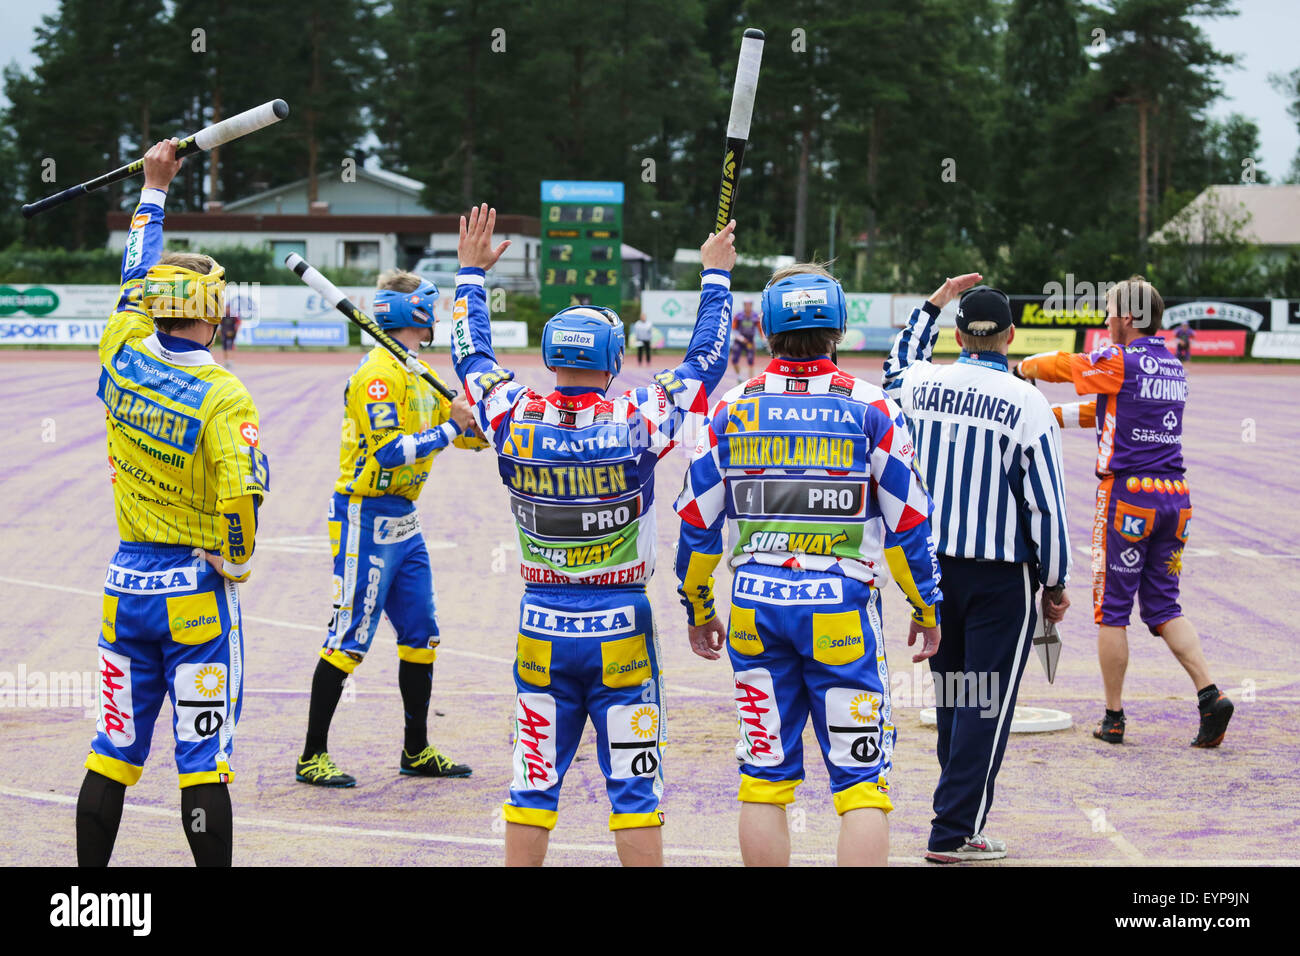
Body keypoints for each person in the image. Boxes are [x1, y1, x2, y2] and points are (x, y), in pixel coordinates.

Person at [451, 204, 735, 866]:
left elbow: (472, 357)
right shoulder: (637, 419)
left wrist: (470, 276)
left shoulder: (509, 411)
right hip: (622, 626)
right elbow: (705, 365)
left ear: (550, 355)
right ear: (613, 358)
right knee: (635, 792)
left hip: (540, 626)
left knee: (531, 784)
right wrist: (715, 279)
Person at [676, 263, 944, 867]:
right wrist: (926, 607)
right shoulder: (872, 408)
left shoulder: (730, 409)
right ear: (840, 326)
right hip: (840, 611)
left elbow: (697, 523)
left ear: (766, 328)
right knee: (861, 784)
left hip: (753, 609)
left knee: (764, 775)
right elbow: (908, 525)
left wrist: (699, 608)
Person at [77, 139, 269, 867]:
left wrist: (153, 190)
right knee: (203, 759)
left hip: (124, 584)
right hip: (193, 591)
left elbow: (133, 275)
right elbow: (242, 493)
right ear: (216, 310)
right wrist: (237, 556)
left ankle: (90, 895)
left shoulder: (120, 349)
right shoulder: (223, 390)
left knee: (114, 750)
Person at [883, 276, 1071, 864]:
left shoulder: (921, 384)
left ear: (959, 335)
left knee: (956, 697)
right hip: (998, 577)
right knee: (984, 704)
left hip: (933, 571)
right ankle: (952, 832)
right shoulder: (1027, 402)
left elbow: (899, 361)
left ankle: (956, 816)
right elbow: (1045, 504)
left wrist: (932, 303)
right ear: (1011, 336)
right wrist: (1056, 582)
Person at [1017, 275, 1233, 749]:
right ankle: (1210, 695)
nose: (1106, 318)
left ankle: (1113, 717)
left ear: (1129, 317)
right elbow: (1106, 412)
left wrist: (1025, 367)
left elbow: (1066, 365)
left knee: (1113, 612)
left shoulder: (1118, 358)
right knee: (1164, 606)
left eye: (1111, 310)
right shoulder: (1173, 366)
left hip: (1128, 498)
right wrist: (1049, 418)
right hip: (1176, 499)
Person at [295, 269, 487, 787]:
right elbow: (390, 450)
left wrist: (481, 427)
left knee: (422, 635)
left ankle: (416, 750)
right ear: (413, 312)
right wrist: (451, 428)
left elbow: (457, 435)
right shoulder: (379, 374)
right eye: (429, 303)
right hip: (364, 515)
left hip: (405, 520)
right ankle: (312, 755)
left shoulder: (416, 367)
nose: (436, 312)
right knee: (349, 636)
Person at [730, 298, 764, 382]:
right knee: (734, 359)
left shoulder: (755, 316)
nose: (748, 306)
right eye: (746, 305)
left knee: (751, 360)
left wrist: (763, 338)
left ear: (751, 305)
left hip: (750, 341)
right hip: (739, 341)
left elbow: (760, 329)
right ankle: (739, 377)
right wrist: (741, 338)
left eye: (749, 305)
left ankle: (750, 380)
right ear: (744, 305)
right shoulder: (738, 316)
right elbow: (733, 329)